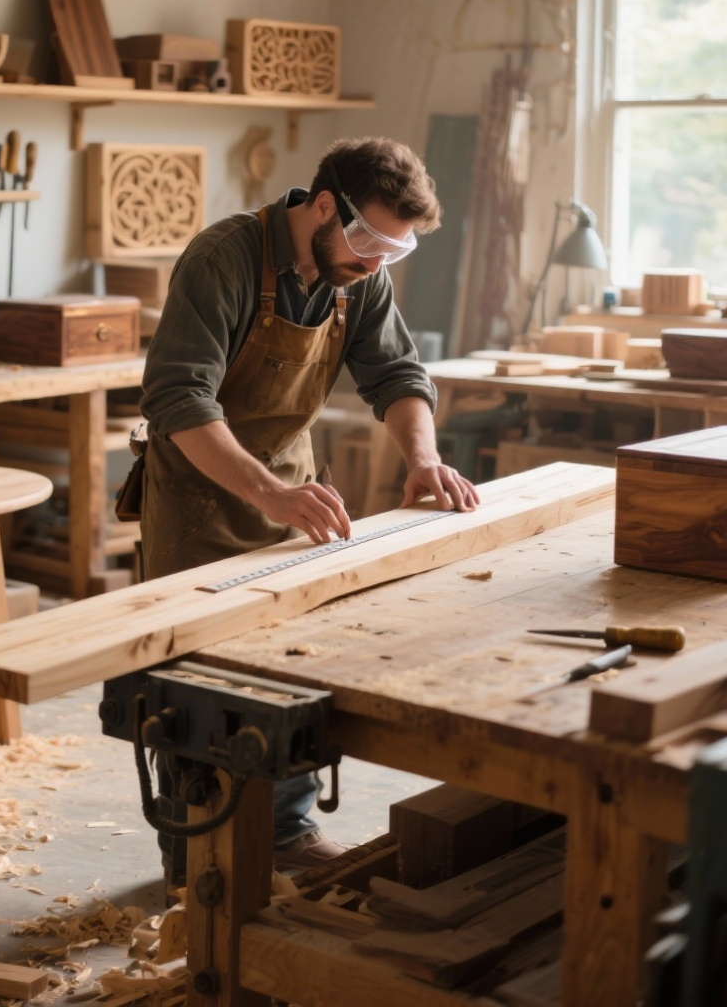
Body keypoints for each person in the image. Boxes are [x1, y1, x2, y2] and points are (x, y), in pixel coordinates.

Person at [138, 135, 480, 881]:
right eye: (367, 242)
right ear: (323, 206)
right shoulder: (223, 259)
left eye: (396, 252)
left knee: (289, 665)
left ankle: (285, 834)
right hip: (200, 497)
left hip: (291, 491)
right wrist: (267, 491)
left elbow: (396, 372)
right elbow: (178, 400)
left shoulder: (359, 275)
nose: (374, 263)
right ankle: (193, 850)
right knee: (198, 683)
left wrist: (422, 460)